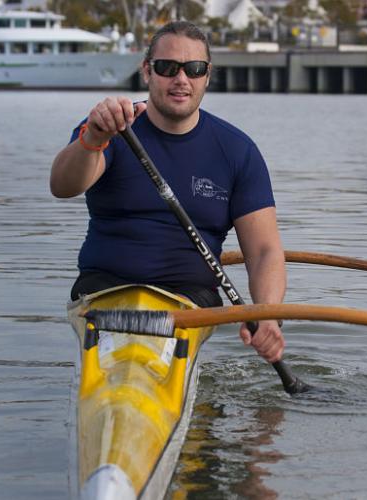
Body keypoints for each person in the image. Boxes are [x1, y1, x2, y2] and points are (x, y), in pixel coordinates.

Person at [50, 21, 286, 364]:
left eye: (194, 69)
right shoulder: (111, 127)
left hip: (190, 304)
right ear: (147, 71)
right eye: (167, 68)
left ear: (207, 76)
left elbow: (264, 251)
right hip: (103, 293)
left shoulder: (237, 151)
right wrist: (93, 139)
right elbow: (62, 187)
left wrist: (267, 315)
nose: (181, 79)